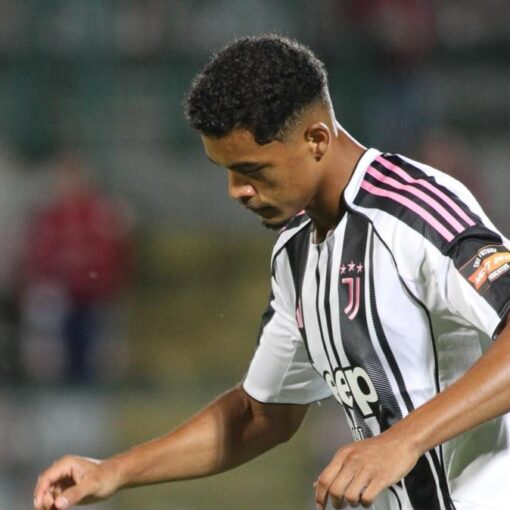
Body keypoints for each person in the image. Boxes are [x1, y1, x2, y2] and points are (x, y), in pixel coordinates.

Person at [33, 35, 510, 510]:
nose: (236, 190)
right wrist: (114, 471)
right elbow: (258, 415)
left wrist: (403, 440)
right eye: (226, 170)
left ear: (317, 139)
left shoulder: (413, 211)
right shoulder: (295, 253)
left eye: (252, 170)